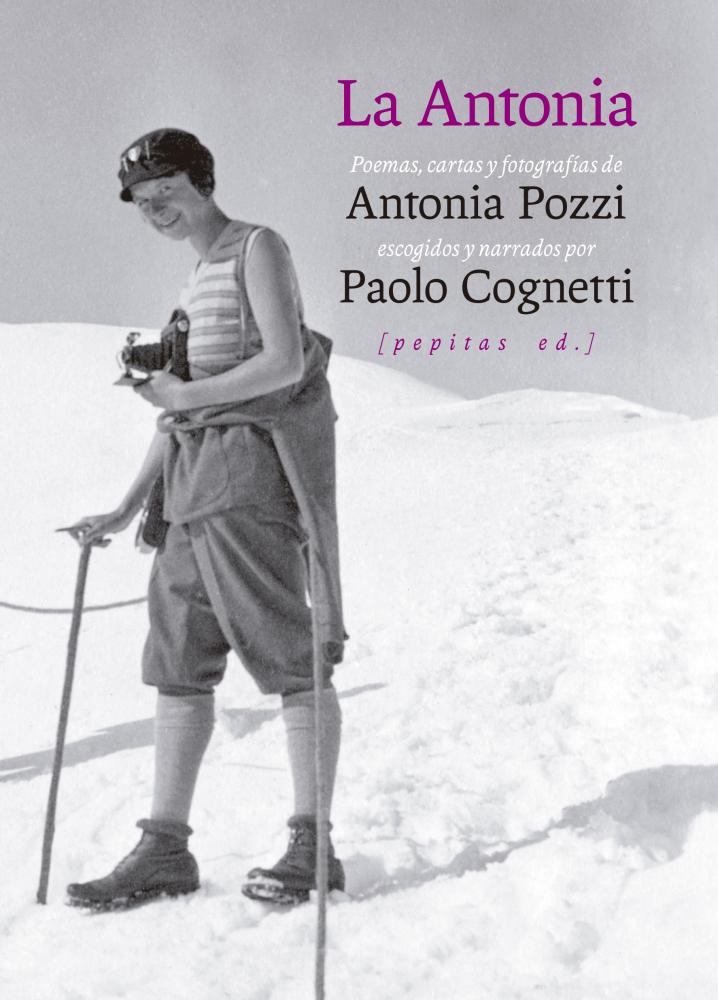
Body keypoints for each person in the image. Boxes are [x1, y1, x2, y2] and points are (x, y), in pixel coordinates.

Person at [65, 128, 346, 908]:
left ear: (202, 181)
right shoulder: (195, 279)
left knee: (285, 650)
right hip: (191, 482)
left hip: (250, 469)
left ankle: (312, 844)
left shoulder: (257, 246)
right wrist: (125, 506)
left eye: (166, 191)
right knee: (178, 657)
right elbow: (178, 416)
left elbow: (285, 362)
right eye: (141, 200)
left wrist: (184, 394)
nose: (154, 208)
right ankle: (165, 848)